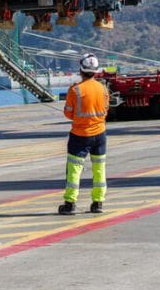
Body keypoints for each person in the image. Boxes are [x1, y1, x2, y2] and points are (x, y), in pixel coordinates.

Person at [60, 53, 109, 215]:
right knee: (99, 168)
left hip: (80, 135)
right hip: (100, 135)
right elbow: (106, 110)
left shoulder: (75, 90)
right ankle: (98, 203)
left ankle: (70, 204)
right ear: (96, 71)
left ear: (81, 70)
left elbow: (68, 113)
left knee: (74, 169)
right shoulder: (103, 89)